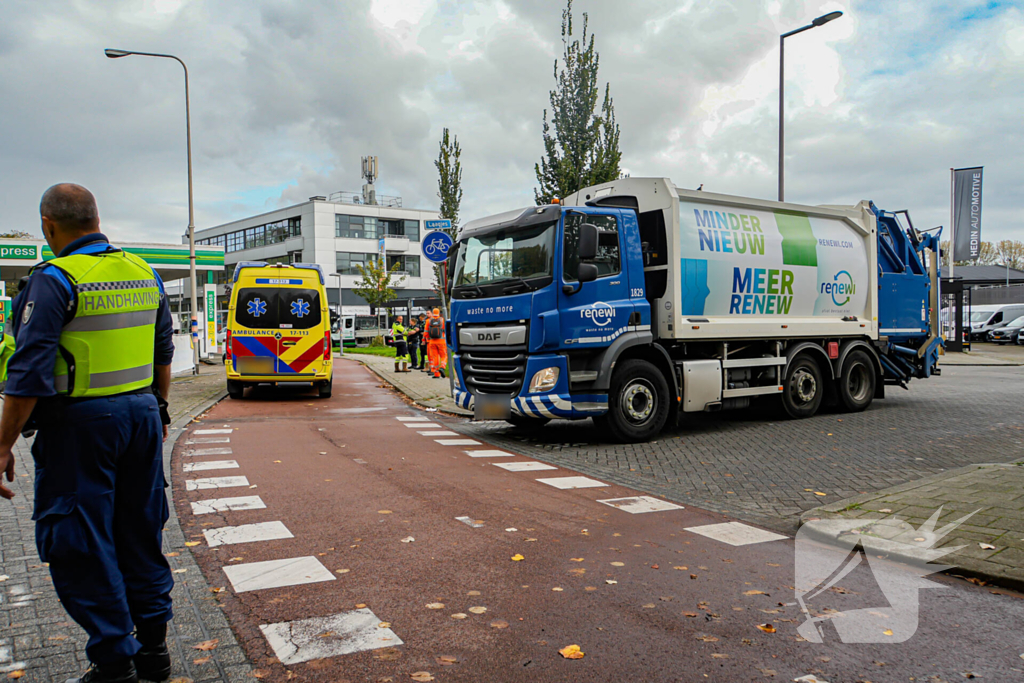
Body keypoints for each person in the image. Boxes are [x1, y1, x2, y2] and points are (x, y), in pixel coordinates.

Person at [0, 184, 175, 683]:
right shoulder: (144, 272)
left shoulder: (55, 279)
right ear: (95, 219)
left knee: (80, 539)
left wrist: (3, 442)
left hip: (81, 426)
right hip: (141, 416)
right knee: (140, 531)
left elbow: (28, 371)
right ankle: (154, 652)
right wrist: (158, 410)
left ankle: (115, 662)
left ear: (48, 225)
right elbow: (163, 351)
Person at [425, 308, 448, 379]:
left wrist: (425, 339)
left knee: (435, 357)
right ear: (438, 313)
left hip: (432, 342)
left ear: (432, 313)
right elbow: (446, 330)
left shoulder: (429, 321)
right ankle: (442, 367)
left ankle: (436, 374)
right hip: (441, 341)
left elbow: (426, 332)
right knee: (444, 356)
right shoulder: (442, 320)